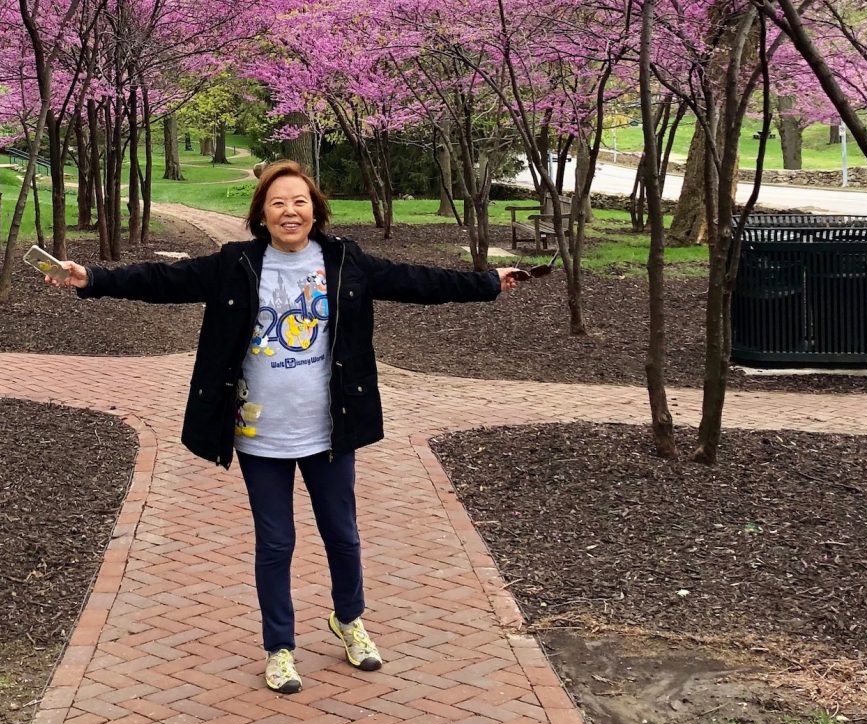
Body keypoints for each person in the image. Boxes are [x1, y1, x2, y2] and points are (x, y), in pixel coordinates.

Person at [48, 160, 524, 694]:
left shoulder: (345, 261)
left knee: (342, 537)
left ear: (315, 210)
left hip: (329, 430)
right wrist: (92, 278)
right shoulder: (237, 263)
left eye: (299, 201)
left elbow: (418, 281)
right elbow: (163, 279)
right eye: (277, 203)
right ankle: (279, 647)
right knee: (276, 544)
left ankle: (349, 621)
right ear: (262, 214)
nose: (289, 211)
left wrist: (486, 283)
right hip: (260, 433)